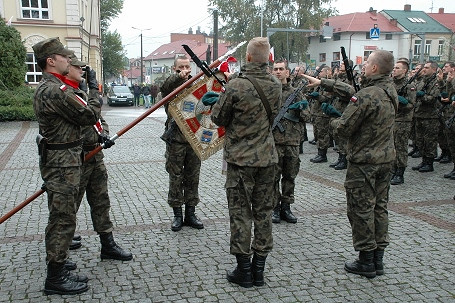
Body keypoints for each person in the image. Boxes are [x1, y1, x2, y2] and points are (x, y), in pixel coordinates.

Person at [304, 49, 397, 278]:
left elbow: (344, 127)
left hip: (365, 161)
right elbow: (354, 91)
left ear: (374, 68)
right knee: (379, 207)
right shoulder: (389, 89)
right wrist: (324, 82)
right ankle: (378, 259)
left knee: (361, 208)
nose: (363, 66)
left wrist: (335, 119)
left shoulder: (367, 95)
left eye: (367, 63)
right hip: (386, 159)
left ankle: (365, 260)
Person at [32, 37, 101, 295]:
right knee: (62, 219)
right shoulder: (53, 90)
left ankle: (59, 264)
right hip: (62, 164)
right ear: (51, 61)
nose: (67, 60)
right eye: (63, 57)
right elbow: (88, 115)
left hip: (63, 161)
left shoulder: (53, 87)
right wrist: (94, 90)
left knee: (63, 216)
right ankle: (55, 277)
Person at [211, 37, 281, 288]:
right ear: (268, 60)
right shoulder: (275, 83)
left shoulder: (236, 85)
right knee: (263, 214)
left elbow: (219, 118)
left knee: (241, 214)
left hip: (240, 160)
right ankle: (259, 270)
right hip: (267, 159)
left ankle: (244, 271)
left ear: (248, 57)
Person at [64, 53, 133, 263]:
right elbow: (88, 116)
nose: (83, 72)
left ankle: (107, 244)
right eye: (79, 68)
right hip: (79, 158)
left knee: (101, 201)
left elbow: (99, 119)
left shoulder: (80, 94)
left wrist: (103, 133)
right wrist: (94, 90)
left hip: (96, 155)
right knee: (69, 206)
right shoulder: (66, 94)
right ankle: (61, 250)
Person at [160, 56, 204, 232]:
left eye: (187, 66)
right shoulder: (171, 87)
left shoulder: (196, 86)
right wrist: (179, 78)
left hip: (193, 139)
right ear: (174, 69)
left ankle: (191, 213)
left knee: (193, 178)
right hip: (176, 140)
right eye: (181, 67)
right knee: (176, 177)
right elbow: (165, 86)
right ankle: (177, 215)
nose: (185, 69)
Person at [270, 60, 308, 224]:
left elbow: (308, 116)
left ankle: (287, 207)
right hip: (274, 142)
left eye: (281, 69)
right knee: (273, 178)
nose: (278, 72)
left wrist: (300, 109)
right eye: (275, 69)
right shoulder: (269, 93)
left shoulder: (297, 93)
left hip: (292, 141)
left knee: (290, 176)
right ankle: (275, 208)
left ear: (287, 72)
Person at [390, 58, 416, 185]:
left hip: (403, 120)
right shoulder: (391, 84)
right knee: (391, 146)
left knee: (400, 146)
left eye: (397, 68)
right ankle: (392, 169)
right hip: (391, 119)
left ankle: (400, 172)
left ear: (405, 71)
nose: (394, 70)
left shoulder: (409, 85)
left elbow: (411, 105)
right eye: (394, 68)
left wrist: (400, 102)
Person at [411, 61, 440, 173]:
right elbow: (415, 92)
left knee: (430, 140)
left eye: (427, 68)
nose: (424, 70)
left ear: (434, 69)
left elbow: (432, 98)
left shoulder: (436, 82)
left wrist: (421, 96)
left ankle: (429, 162)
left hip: (430, 116)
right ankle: (423, 160)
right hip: (419, 114)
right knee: (420, 140)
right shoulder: (422, 81)